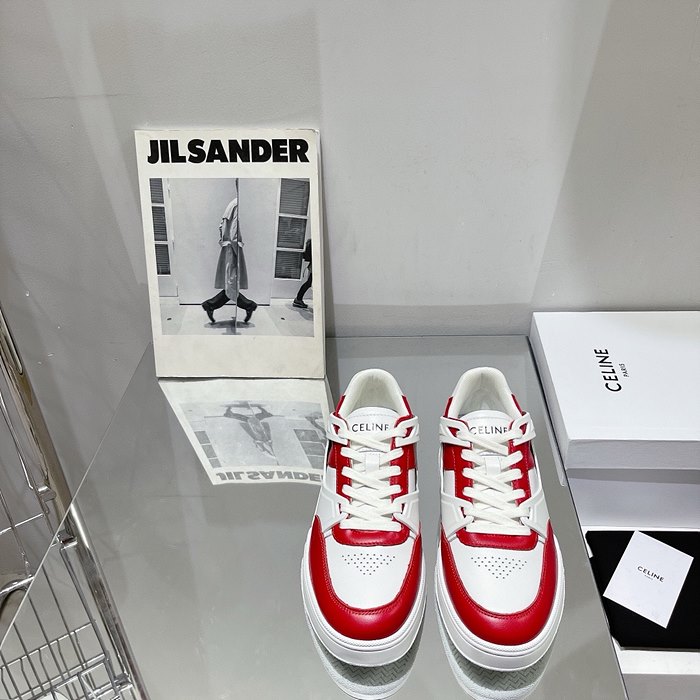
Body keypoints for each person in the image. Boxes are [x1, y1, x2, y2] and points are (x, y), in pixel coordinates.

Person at [202, 183, 257, 324]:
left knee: (231, 284)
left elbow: (221, 226)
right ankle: (247, 305)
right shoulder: (237, 205)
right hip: (232, 249)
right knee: (231, 284)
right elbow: (233, 234)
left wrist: (225, 242)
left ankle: (211, 305)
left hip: (229, 248)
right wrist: (237, 252)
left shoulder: (232, 204)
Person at [293, 239, 312, 309]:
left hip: (313, 265)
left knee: (309, 283)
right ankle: (298, 299)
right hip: (316, 266)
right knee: (309, 283)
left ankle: (298, 299)